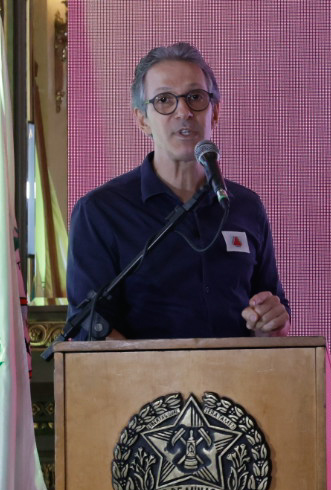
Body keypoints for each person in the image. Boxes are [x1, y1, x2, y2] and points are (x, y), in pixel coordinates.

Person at [65, 42, 289, 340]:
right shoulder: (101, 211)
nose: (183, 111)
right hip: (140, 372)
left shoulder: (244, 206)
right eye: (164, 100)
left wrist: (271, 321)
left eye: (195, 97)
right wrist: (161, 368)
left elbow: (271, 315)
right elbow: (89, 327)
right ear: (142, 120)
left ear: (215, 111)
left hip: (236, 371)